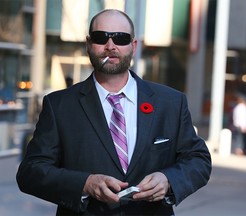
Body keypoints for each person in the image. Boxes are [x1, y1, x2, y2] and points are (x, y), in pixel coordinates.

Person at [16, 9, 211, 215]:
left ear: (133, 46)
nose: (111, 46)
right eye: (101, 38)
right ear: (89, 44)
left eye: (120, 38)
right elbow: (31, 172)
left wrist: (169, 180)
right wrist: (85, 184)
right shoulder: (59, 105)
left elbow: (199, 159)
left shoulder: (171, 103)